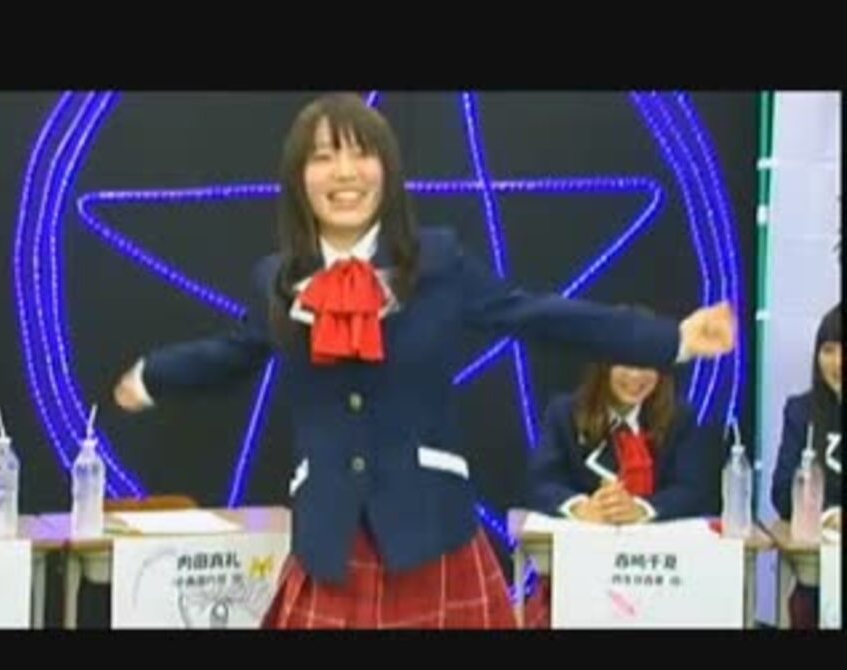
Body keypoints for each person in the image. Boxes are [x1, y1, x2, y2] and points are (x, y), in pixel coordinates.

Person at [113, 92, 736, 629]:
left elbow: (535, 314)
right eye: (323, 156)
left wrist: (670, 340)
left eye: (362, 153)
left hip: (432, 535)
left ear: (387, 172)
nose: (344, 172)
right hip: (330, 539)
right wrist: (152, 375)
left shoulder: (437, 263)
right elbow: (239, 349)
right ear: (299, 178)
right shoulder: (277, 281)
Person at [521, 341, 716, 627]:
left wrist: (641, 509)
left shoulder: (680, 418)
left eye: (647, 365)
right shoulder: (564, 413)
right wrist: (580, 508)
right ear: (604, 366)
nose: (636, 376)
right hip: (580, 574)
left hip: (659, 576)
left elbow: (694, 489)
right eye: (625, 364)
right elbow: (540, 481)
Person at [771, 303, 841, 628]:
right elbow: (781, 493)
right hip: (819, 569)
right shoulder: (801, 411)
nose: (838, 363)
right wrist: (829, 516)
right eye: (829, 350)